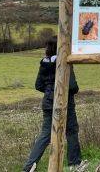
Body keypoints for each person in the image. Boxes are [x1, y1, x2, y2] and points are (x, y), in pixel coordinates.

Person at [23, 37, 85, 171]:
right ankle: (74, 163)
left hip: (48, 102)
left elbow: (38, 85)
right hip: (66, 102)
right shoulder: (64, 61)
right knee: (71, 131)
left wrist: (49, 90)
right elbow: (73, 86)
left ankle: (28, 167)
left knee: (45, 134)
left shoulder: (44, 63)